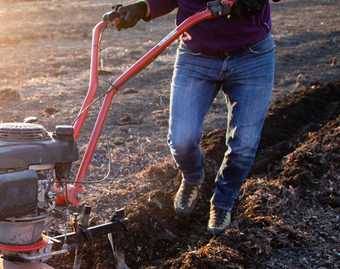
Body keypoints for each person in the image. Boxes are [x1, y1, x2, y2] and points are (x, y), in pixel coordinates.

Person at [110, 0, 277, 234]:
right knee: (181, 140)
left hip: (251, 54)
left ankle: (223, 202)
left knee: (244, 143)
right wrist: (143, 7)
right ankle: (192, 178)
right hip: (196, 56)